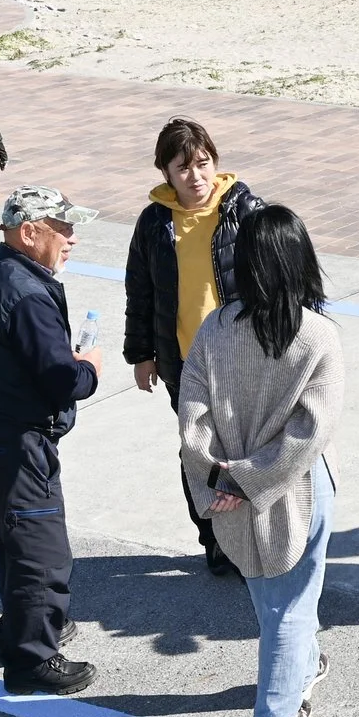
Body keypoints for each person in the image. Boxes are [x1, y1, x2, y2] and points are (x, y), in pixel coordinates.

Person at [179, 205, 344, 717]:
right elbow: (311, 431)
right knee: (291, 599)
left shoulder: (215, 329)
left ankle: (301, 663)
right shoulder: (317, 335)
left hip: (228, 488)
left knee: (273, 592)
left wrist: (217, 480)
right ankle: (276, 712)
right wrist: (250, 479)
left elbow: (193, 417)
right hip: (295, 485)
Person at [0, 187, 104, 695]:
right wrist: (88, 368)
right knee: (40, 549)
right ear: (29, 231)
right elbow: (62, 381)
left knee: (13, 538)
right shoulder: (29, 293)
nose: (72, 239)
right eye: (63, 229)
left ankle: (32, 626)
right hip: (12, 442)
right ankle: (31, 659)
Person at [124, 118, 265, 577]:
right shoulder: (153, 222)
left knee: (246, 448)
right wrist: (141, 353)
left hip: (242, 358)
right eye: (183, 167)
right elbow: (139, 291)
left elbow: (276, 279)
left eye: (203, 163)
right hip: (184, 362)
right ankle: (215, 538)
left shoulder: (244, 209)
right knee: (199, 450)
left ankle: (254, 535)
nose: (196, 176)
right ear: (165, 171)